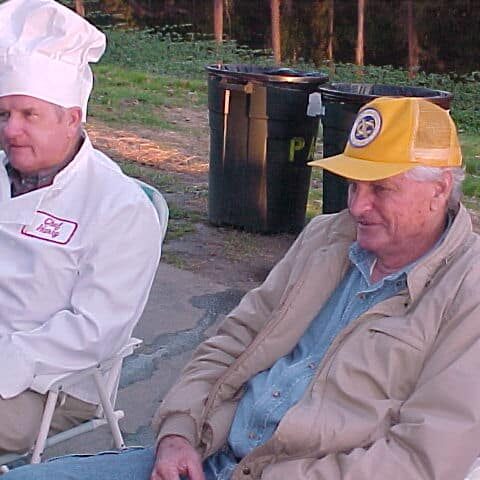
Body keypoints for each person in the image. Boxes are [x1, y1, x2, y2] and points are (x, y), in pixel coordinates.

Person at [6, 95, 480, 480]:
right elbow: (231, 339)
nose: (356, 206)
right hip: (209, 457)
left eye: (381, 189)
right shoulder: (326, 238)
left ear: (439, 188)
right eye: (352, 184)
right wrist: (177, 434)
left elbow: (422, 459)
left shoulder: (467, 289)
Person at [0, 0, 168, 455]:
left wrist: (7, 359)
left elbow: (96, 331)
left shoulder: (118, 208)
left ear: (72, 117)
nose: (11, 130)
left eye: (28, 115)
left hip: (50, 386)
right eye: (4, 114)